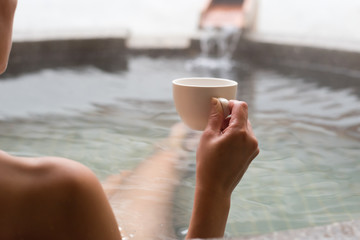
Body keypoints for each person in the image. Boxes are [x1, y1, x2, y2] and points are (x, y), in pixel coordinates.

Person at [0, 0, 259, 239]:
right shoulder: (62, 191)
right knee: (130, 198)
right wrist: (215, 191)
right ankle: (176, 145)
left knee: (111, 198)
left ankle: (171, 148)